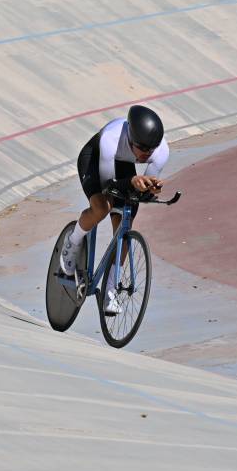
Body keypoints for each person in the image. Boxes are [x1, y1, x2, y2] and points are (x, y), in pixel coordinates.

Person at [60, 104, 169, 314]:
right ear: (130, 139)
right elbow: (108, 185)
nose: (147, 154)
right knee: (102, 207)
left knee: (124, 226)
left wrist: (151, 189)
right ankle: (72, 242)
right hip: (95, 159)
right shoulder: (111, 138)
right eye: (142, 149)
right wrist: (133, 181)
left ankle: (110, 290)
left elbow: (142, 191)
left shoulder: (160, 150)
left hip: (123, 165)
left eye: (151, 149)